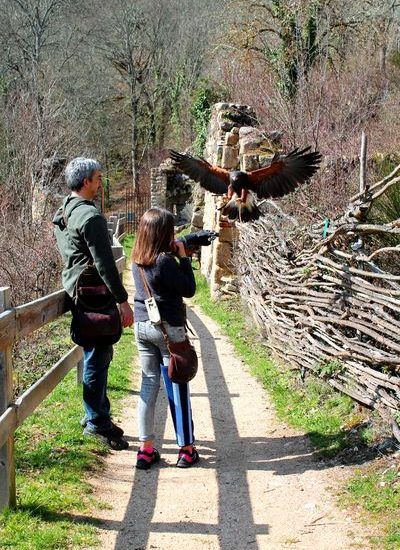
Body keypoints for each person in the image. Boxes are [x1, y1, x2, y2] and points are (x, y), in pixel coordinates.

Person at [53, 157, 134, 450]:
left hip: (76, 287)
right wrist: (122, 301)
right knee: (98, 358)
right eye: (98, 178)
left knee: (95, 355)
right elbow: (105, 265)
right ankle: (96, 423)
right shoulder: (90, 217)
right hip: (92, 293)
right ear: (86, 181)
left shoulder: (64, 211)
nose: (101, 183)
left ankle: (97, 415)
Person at [131, 208, 199, 469]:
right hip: (168, 330)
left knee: (148, 385)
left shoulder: (138, 258)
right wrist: (184, 258)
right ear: (164, 233)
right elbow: (189, 290)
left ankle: (146, 449)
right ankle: (186, 448)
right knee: (178, 383)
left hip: (142, 326)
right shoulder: (165, 261)